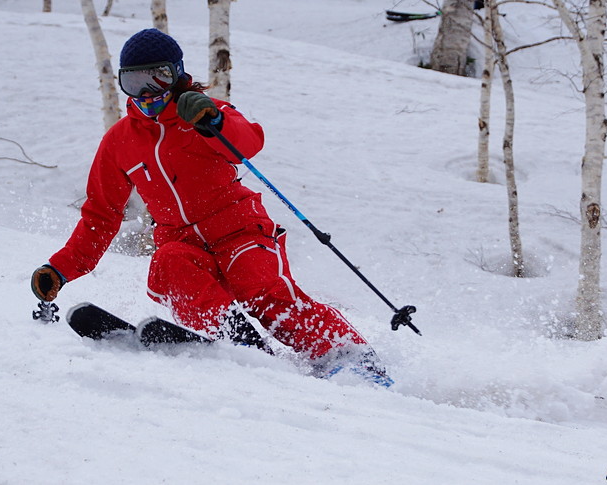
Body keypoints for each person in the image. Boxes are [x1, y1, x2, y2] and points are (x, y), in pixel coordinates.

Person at [31, 28, 391, 385]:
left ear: (175, 75)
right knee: (169, 262)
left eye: (156, 79)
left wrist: (212, 122)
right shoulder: (119, 141)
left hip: (240, 232)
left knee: (261, 290)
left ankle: (349, 357)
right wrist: (61, 270)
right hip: (184, 243)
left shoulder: (204, 112)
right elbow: (101, 215)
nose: (145, 93)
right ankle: (237, 340)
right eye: (133, 82)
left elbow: (248, 142)